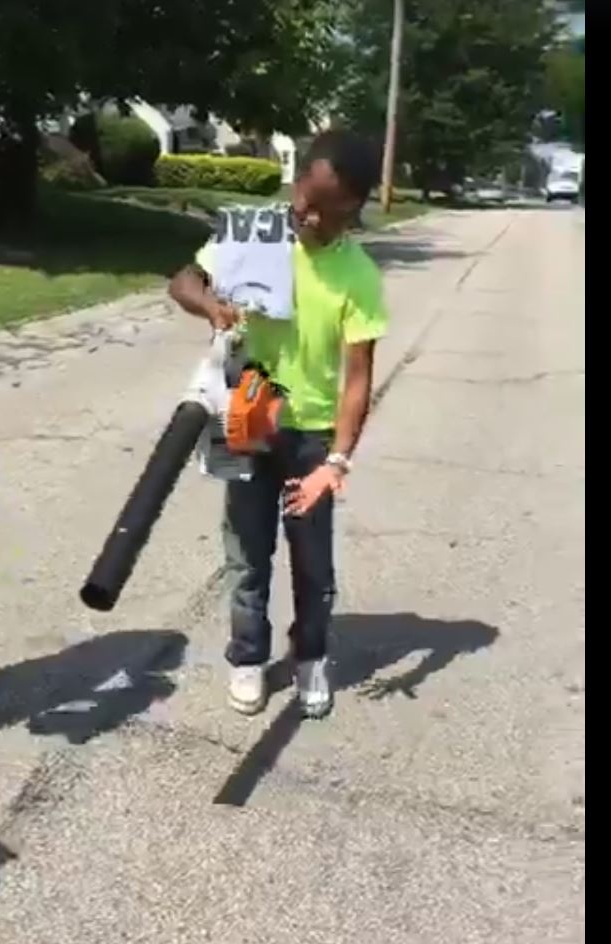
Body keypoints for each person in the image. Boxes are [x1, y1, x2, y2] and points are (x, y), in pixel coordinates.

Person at [166, 131, 389, 719]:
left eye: (324, 208)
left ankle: (310, 655)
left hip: (311, 436)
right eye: (302, 197)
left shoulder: (358, 273)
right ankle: (246, 659)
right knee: (245, 552)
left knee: (313, 563)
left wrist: (338, 459)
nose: (306, 214)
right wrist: (212, 306)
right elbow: (182, 280)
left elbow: (359, 376)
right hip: (245, 416)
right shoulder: (254, 236)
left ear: (354, 208)